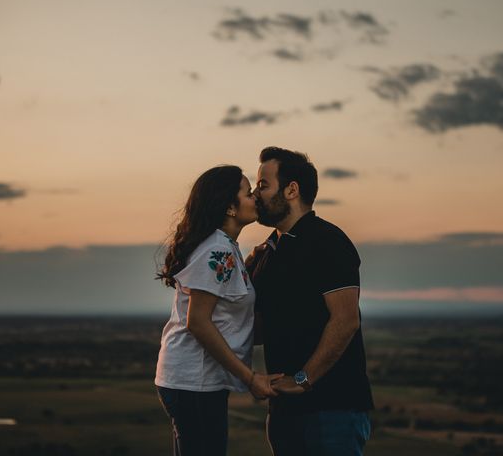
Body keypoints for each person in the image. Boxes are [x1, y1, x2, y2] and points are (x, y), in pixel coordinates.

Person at [247, 147, 374, 456]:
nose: (254, 193)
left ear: (292, 190)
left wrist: (303, 380)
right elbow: (261, 331)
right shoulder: (267, 253)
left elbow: (345, 320)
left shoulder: (327, 241)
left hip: (333, 409)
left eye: (263, 185)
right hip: (284, 411)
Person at [155, 165, 282, 456]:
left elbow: (222, 295)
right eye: (248, 193)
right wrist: (250, 378)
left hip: (193, 381)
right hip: (194, 383)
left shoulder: (225, 247)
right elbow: (198, 322)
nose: (256, 198)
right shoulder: (218, 250)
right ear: (230, 207)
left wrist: (249, 263)